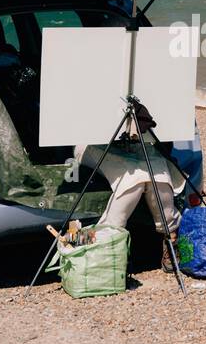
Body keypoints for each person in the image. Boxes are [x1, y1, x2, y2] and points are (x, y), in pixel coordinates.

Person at [74, 102, 184, 270]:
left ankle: (171, 236)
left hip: (138, 139)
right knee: (135, 177)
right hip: (90, 141)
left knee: (158, 171)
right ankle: (107, 238)